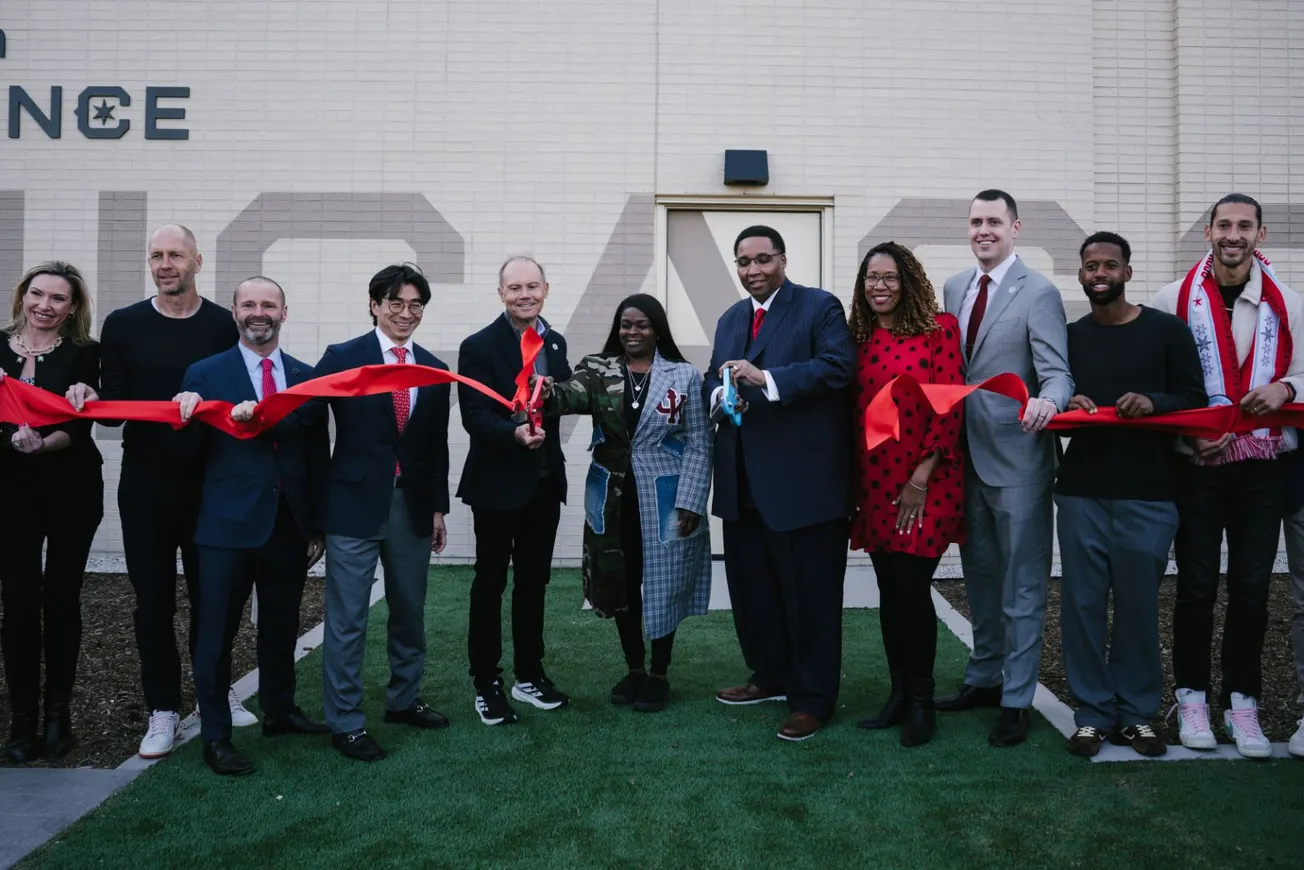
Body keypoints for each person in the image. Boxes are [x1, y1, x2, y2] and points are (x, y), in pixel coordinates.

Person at [66, 225, 244, 760]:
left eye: (176, 255)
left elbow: (238, 397)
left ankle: (216, 693)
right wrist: (90, 394)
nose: (165, 264)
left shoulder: (223, 324)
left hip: (211, 482)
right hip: (146, 484)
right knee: (153, 602)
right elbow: (113, 411)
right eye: (157, 256)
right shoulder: (124, 323)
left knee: (213, 599)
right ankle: (162, 709)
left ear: (197, 262)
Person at [1153, 193, 1304, 758]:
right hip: (1197, 465)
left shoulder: (1288, 303)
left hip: (1263, 466)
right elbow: (1158, 380)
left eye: (1244, 226)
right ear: (1208, 232)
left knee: (1251, 588)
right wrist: (1188, 432)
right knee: (1195, 587)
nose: (1232, 234)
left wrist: (1286, 388)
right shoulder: (1172, 299)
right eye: (1223, 225)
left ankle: (1244, 704)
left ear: (1260, 235)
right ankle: (1191, 697)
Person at [1054, 232, 1205, 759]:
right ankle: (1093, 714)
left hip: (1149, 493)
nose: (1100, 273)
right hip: (1082, 493)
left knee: (1138, 608)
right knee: (1082, 606)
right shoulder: (1070, 338)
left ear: (1127, 273)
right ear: (1080, 275)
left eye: (1110, 265)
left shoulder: (1166, 331)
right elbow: (1048, 398)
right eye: (1091, 265)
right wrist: (1067, 401)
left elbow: (1195, 399)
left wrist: (1154, 402)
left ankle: (1137, 715)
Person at [172, 277, 331, 776]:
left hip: (288, 525)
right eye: (248, 304)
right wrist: (184, 418)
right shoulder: (205, 373)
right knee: (216, 633)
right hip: (226, 527)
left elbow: (315, 455)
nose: (258, 312)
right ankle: (216, 736)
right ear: (235, 313)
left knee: (281, 625)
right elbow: (188, 456)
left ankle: (279, 710)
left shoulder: (305, 376)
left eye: (268, 304)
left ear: (284, 312)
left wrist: (316, 525)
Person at [704, 225, 856, 743]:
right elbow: (715, 377)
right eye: (743, 262)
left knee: (810, 597)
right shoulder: (730, 318)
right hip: (742, 483)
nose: (753, 270)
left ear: (783, 260)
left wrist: (765, 379)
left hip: (804, 486)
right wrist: (720, 395)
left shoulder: (819, 307)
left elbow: (838, 367)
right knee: (754, 592)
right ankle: (769, 675)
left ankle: (811, 699)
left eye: (762, 259)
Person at [938, 190, 1073, 748]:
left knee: (1022, 585)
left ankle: (1017, 698)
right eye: (976, 222)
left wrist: (1050, 403)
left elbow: (1057, 373)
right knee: (980, 579)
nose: (983, 230)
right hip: (963, 458)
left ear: (1015, 228)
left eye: (994, 221)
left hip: (1018, 458)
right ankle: (984, 677)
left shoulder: (1038, 292)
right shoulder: (954, 287)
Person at [541, 294, 711, 713]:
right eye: (625, 325)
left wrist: (691, 500)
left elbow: (699, 441)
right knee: (620, 581)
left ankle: (659, 674)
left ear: (657, 329)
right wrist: (540, 388)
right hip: (612, 498)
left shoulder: (684, 375)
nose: (632, 332)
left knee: (665, 580)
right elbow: (565, 397)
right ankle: (634, 668)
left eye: (641, 325)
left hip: (666, 497)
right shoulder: (598, 369)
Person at [309, 263, 452, 762]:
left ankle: (404, 699)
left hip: (411, 505)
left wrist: (438, 508)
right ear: (374, 305)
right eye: (395, 303)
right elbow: (308, 420)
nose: (405, 313)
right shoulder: (343, 358)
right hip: (352, 503)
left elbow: (434, 446)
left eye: (415, 305)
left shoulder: (433, 368)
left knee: (409, 609)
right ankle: (345, 721)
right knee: (347, 618)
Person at [848, 242, 963, 748]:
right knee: (890, 591)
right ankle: (897, 694)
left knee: (912, 588)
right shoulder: (859, 338)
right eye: (872, 277)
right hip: (874, 481)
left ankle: (921, 701)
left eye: (890, 277)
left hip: (926, 481)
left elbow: (950, 404)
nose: (880, 286)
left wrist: (921, 477)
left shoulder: (940, 330)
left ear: (909, 281)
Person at [456, 256, 570, 726]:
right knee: (490, 584)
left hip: (544, 482)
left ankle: (529, 674)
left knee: (533, 583)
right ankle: (486, 682)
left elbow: (562, 398)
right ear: (501, 293)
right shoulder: (478, 346)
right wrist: (514, 433)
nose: (525, 295)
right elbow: (474, 416)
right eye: (515, 287)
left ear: (546, 289)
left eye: (532, 286)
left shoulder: (555, 341)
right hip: (497, 484)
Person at [0, 262, 103, 762]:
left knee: (62, 599)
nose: (45, 305)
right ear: (23, 296)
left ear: (72, 307)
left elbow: (80, 426)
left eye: (58, 298)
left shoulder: (86, 353)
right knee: (18, 602)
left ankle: (58, 717)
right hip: (9, 491)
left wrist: (44, 443)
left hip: (70, 488)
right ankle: (22, 723)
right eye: (37, 294)